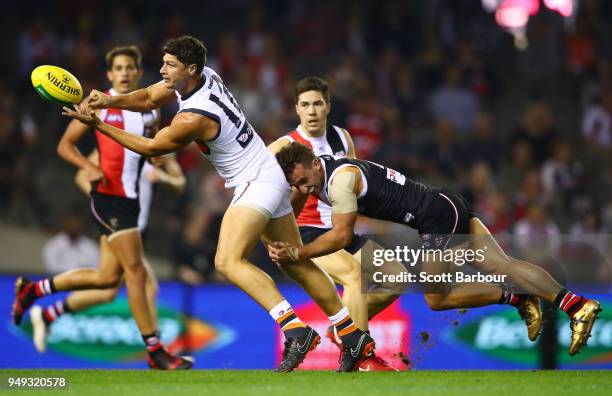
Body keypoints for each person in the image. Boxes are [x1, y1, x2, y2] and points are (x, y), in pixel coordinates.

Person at [62, 35, 374, 372]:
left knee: (226, 261)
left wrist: (99, 125)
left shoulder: (193, 117)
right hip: (267, 172)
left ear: (190, 69)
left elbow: (151, 147)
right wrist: (110, 102)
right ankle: (352, 332)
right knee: (293, 260)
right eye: (164, 62)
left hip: (255, 182)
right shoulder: (206, 77)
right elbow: (151, 96)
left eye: (170, 65)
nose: (162, 69)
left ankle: (295, 330)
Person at [271, 143, 601, 356]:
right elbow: (295, 201)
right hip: (444, 204)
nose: (304, 189)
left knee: (437, 298)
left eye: (304, 180)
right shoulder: (321, 170)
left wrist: (298, 254)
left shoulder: (340, 181)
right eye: (297, 185)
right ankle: (576, 306)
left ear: (315, 163)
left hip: (436, 217)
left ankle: (517, 297)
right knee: (503, 265)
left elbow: (342, 237)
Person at [12, 45, 191, 369]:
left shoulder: (150, 111)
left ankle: (33, 291)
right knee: (136, 274)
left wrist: (166, 167)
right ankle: (155, 352)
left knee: (107, 280)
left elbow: (152, 151)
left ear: (137, 73)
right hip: (109, 198)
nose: (124, 73)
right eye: (118, 68)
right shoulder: (97, 104)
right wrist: (88, 167)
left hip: (131, 201)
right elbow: (64, 146)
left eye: (129, 68)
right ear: (109, 75)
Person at [268, 77, 400, 371]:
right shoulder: (283, 147)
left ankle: (345, 329)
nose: (312, 111)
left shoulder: (342, 137)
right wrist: (271, 238)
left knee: (396, 278)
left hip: (342, 230)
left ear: (328, 106)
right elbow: (265, 198)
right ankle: (362, 358)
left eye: (317, 103)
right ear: (296, 109)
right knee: (355, 276)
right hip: (306, 232)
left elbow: (357, 185)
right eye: (305, 105)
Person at [30, 149, 185, 354]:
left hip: (137, 232)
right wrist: (107, 205)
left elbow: (179, 185)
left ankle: (47, 315)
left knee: (108, 291)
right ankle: (158, 352)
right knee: (147, 286)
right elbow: (81, 177)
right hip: (119, 226)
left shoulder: (160, 144)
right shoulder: (118, 138)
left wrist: (163, 177)